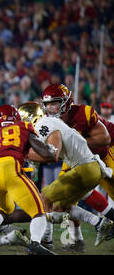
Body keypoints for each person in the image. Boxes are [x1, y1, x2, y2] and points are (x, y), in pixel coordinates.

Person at [19, 101, 114, 249]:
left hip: (84, 168)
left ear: (29, 117)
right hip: (89, 168)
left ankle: (46, 242)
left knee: (43, 199)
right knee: (61, 207)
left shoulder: (44, 123)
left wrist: (25, 155)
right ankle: (95, 227)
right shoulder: (50, 122)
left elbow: (53, 155)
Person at [0, 105, 57, 255]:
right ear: (16, 118)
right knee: (39, 211)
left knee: (3, 210)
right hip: (10, 168)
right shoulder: (22, 127)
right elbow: (44, 152)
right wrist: (50, 151)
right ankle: (35, 244)